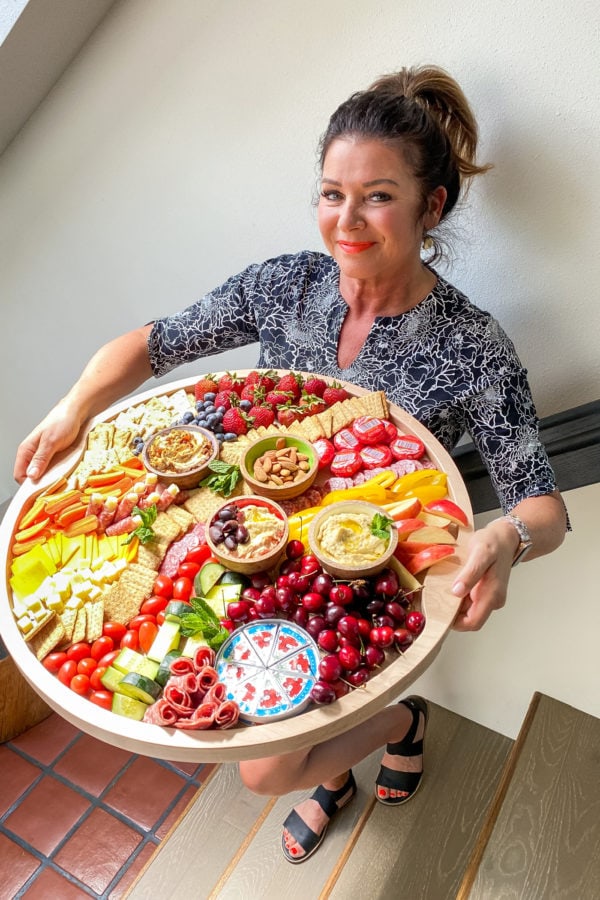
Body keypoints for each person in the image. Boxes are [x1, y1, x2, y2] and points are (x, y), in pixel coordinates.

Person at [15, 65, 567, 863]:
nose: (346, 220)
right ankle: (349, 754)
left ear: (431, 205)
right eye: (331, 192)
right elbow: (149, 344)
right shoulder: (284, 285)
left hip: (357, 571)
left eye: (378, 195)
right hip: (249, 539)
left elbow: (541, 506)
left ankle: (393, 723)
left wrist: (506, 541)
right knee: (270, 732)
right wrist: (72, 405)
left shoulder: (472, 346)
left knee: (266, 771)